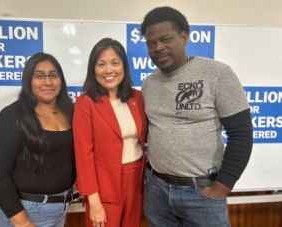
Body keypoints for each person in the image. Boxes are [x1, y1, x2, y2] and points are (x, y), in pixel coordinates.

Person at [140, 7, 253, 227]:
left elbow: (241, 134)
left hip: (202, 192)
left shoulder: (218, 74)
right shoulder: (149, 83)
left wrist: (222, 186)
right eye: (151, 44)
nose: (158, 48)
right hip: (156, 190)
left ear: (184, 36)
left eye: (165, 39)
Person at [0, 52, 76, 227]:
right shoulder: (12, 116)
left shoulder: (71, 113)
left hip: (61, 208)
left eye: (53, 75)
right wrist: (23, 223)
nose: (47, 82)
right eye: (39, 76)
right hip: (26, 212)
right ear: (28, 80)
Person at [73, 38, 147, 227]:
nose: (109, 70)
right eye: (101, 64)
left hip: (136, 182)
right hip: (103, 188)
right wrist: (94, 201)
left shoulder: (136, 97)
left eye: (115, 63)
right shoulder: (85, 103)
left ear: (124, 66)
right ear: (93, 69)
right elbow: (83, 156)